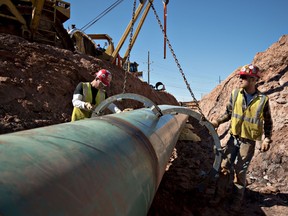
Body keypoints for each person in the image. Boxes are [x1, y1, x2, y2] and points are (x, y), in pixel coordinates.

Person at [210, 64, 273, 211]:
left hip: (248, 141)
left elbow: (268, 121)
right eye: (240, 76)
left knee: (240, 172)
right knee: (224, 167)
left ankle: (236, 202)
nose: (240, 79)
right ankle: (219, 195)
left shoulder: (263, 100)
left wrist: (267, 138)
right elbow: (228, 113)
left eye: (243, 77)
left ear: (253, 79)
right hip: (234, 137)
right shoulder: (235, 94)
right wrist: (217, 121)